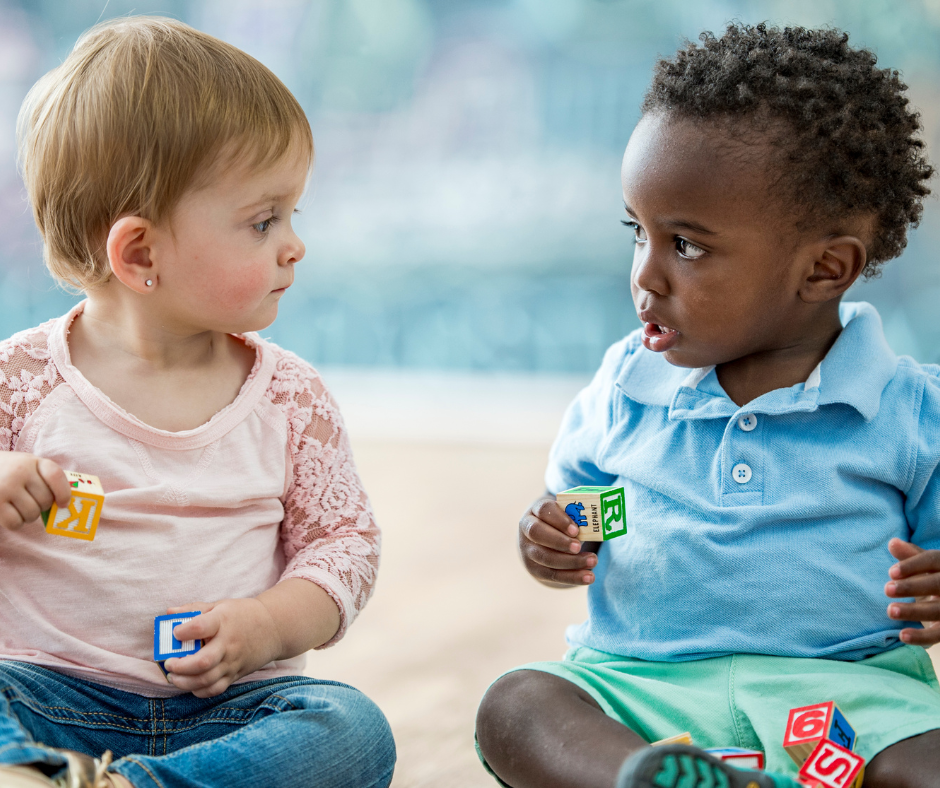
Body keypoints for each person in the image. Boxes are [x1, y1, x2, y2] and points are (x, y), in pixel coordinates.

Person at [476, 22, 939, 788]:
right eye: (639, 233)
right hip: (642, 693)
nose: (645, 276)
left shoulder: (910, 413)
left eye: (686, 245)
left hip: (850, 697)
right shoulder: (624, 390)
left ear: (824, 269)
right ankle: (649, 779)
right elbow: (583, 509)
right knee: (518, 704)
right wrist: (549, 536)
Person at [0, 16, 395, 788]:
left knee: (351, 730)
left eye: (292, 215)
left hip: (228, 712)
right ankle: (29, 768)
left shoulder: (290, 397)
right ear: (141, 254)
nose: (294, 244)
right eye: (262, 220)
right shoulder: (18, 380)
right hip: (43, 689)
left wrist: (270, 624)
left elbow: (346, 545)